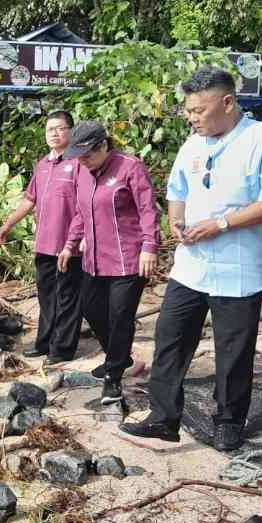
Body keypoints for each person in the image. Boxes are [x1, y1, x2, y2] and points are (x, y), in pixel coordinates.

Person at [120, 67, 262, 451]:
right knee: (170, 337)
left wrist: (221, 224)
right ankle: (163, 418)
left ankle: (229, 422)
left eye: (199, 110)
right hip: (192, 265)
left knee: (233, 350)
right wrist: (176, 220)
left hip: (239, 266)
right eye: (188, 111)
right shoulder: (193, 145)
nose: (192, 117)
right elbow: (177, 190)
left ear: (228, 102)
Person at [57, 121, 160, 405]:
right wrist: (69, 244)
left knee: (120, 316)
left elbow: (148, 210)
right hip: (95, 258)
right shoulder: (82, 171)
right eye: (78, 156)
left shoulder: (130, 167)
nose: (83, 160)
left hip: (129, 258)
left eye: (88, 154)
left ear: (104, 145)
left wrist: (150, 247)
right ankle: (121, 357)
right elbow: (81, 212)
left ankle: (113, 375)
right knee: (91, 309)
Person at [0, 110, 83, 363]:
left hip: (69, 245)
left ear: (71, 131)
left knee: (68, 298)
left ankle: (63, 349)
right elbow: (29, 200)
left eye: (60, 128)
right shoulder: (43, 165)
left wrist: (74, 241)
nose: (54, 134)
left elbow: (84, 207)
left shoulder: (79, 164)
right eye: (49, 129)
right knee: (46, 296)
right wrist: (8, 225)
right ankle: (44, 343)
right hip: (44, 243)